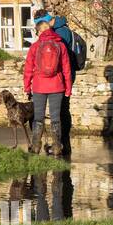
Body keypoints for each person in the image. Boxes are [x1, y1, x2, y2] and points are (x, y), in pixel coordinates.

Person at [23, 11, 73, 156]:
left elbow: (28, 69)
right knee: (55, 118)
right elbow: (66, 69)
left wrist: (27, 87)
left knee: (38, 117)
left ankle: (36, 147)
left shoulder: (35, 47)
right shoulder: (60, 45)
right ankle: (57, 148)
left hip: (39, 86)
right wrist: (68, 88)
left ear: (39, 32)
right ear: (50, 29)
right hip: (57, 86)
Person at [51, 13, 77, 156]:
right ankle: (64, 144)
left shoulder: (60, 32)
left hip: (63, 76)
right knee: (63, 109)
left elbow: (62, 58)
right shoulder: (65, 28)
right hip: (69, 74)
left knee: (61, 110)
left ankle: (62, 145)